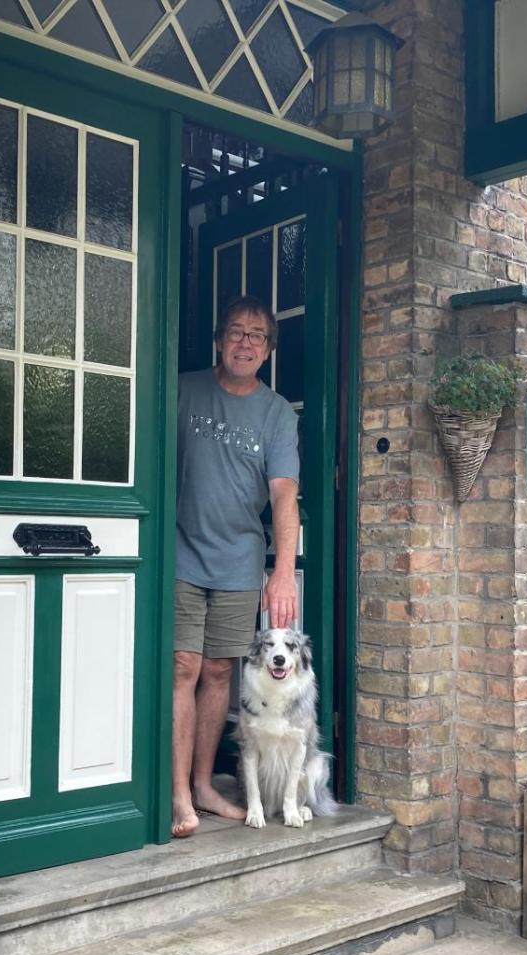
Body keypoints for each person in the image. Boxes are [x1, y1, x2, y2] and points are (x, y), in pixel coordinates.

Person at [172, 295, 300, 837]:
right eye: (236, 332)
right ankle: (178, 794)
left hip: (239, 561)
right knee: (183, 666)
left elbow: (284, 495)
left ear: (268, 349)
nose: (245, 343)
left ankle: (204, 786)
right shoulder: (183, 390)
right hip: (179, 552)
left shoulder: (275, 412)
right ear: (219, 340)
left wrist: (282, 570)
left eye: (256, 335)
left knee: (220, 670)